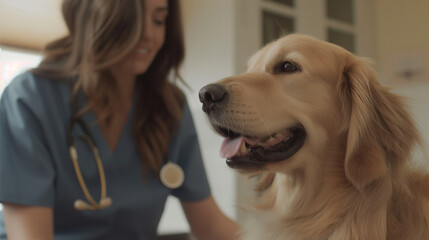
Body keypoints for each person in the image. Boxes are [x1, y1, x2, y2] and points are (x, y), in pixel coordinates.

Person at [0, 0, 241, 239]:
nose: (148, 35)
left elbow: (210, 226)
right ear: (90, 13)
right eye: (131, 18)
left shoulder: (168, 106)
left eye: (159, 20)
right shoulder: (29, 100)